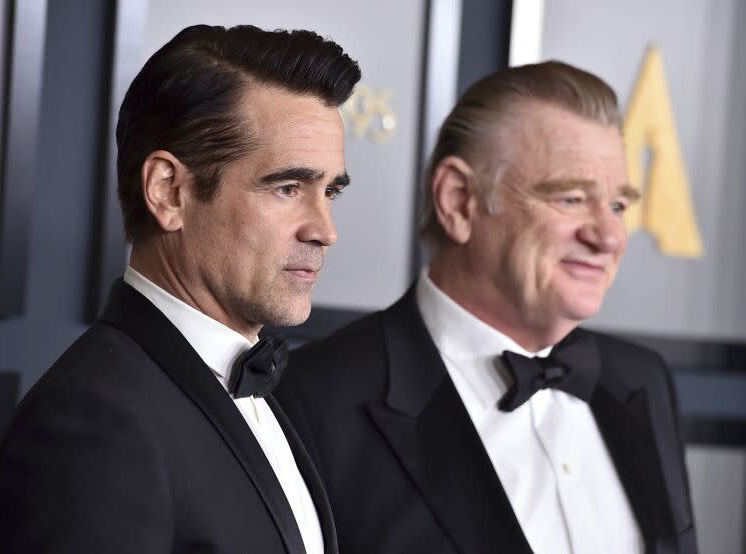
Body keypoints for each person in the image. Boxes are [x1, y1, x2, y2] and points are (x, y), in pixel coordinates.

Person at [276, 61, 697, 554]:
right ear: (459, 201)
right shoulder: (308, 402)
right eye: (571, 198)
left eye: (619, 206)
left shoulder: (642, 379)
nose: (607, 237)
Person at [0, 24, 360, 554]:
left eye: (330, 192)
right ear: (169, 192)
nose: (324, 229)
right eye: (287, 187)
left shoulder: (258, 393)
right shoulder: (92, 428)